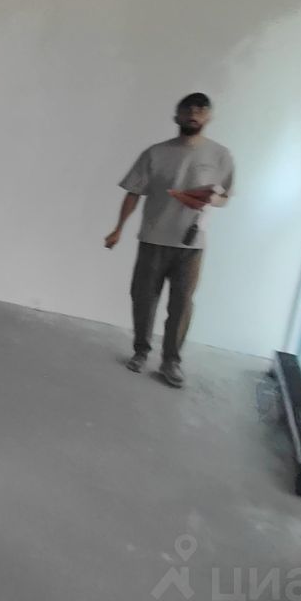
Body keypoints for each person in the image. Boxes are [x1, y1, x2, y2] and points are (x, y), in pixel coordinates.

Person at [104, 93, 234, 387]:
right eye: (187, 109)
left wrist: (211, 199)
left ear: (209, 117)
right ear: (177, 116)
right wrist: (118, 229)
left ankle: (171, 361)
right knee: (143, 297)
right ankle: (141, 351)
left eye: (200, 110)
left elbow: (225, 196)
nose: (194, 114)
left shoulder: (220, 155)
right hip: (153, 239)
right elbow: (134, 192)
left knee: (182, 304)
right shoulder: (155, 153)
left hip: (191, 245)